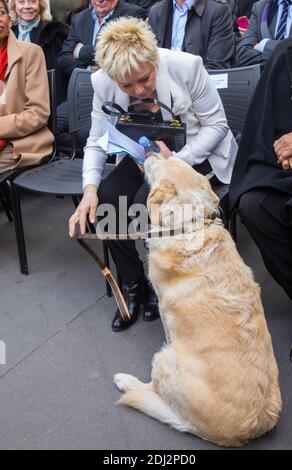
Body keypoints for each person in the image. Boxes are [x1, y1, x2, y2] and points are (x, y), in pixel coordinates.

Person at [69, 17, 237, 332]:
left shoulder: (187, 66)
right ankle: (133, 283)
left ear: (153, 59)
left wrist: (177, 161)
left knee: (146, 202)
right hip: (143, 154)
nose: (139, 89)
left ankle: (168, 285)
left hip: (194, 153)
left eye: (144, 79)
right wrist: (88, 189)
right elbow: (96, 139)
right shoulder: (102, 81)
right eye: (126, 85)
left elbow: (217, 125)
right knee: (108, 200)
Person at [228, 33, 292, 363]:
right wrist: (285, 153)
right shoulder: (287, 54)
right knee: (254, 203)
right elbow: (267, 125)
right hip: (287, 165)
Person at [56, 0, 147, 157]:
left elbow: (121, 56)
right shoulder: (79, 18)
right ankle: (87, 153)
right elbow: (64, 59)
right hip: (82, 92)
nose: (101, 0)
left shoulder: (132, 14)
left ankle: (100, 153)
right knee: (52, 126)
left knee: (91, 130)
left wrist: (80, 51)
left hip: (114, 92)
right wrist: (91, 68)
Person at [0, 0, 53, 174]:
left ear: (9, 18)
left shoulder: (31, 52)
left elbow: (38, 113)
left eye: (1, 13)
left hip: (21, 142)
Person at [9, 0, 69, 104]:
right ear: (14, 6)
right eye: (21, 2)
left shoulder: (55, 34)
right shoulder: (8, 34)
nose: (27, 6)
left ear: (40, 5)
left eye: (33, 1)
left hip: (45, 99)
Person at [148, 0, 235, 69]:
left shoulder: (218, 11)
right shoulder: (156, 12)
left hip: (197, 88)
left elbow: (216, 67)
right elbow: (150, 63)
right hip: (163, 87)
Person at [236, 0, 292, 66]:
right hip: (266, 75)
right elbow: (242, 55)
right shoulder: (260, 7)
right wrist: (286, 59)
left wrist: (264, 45)